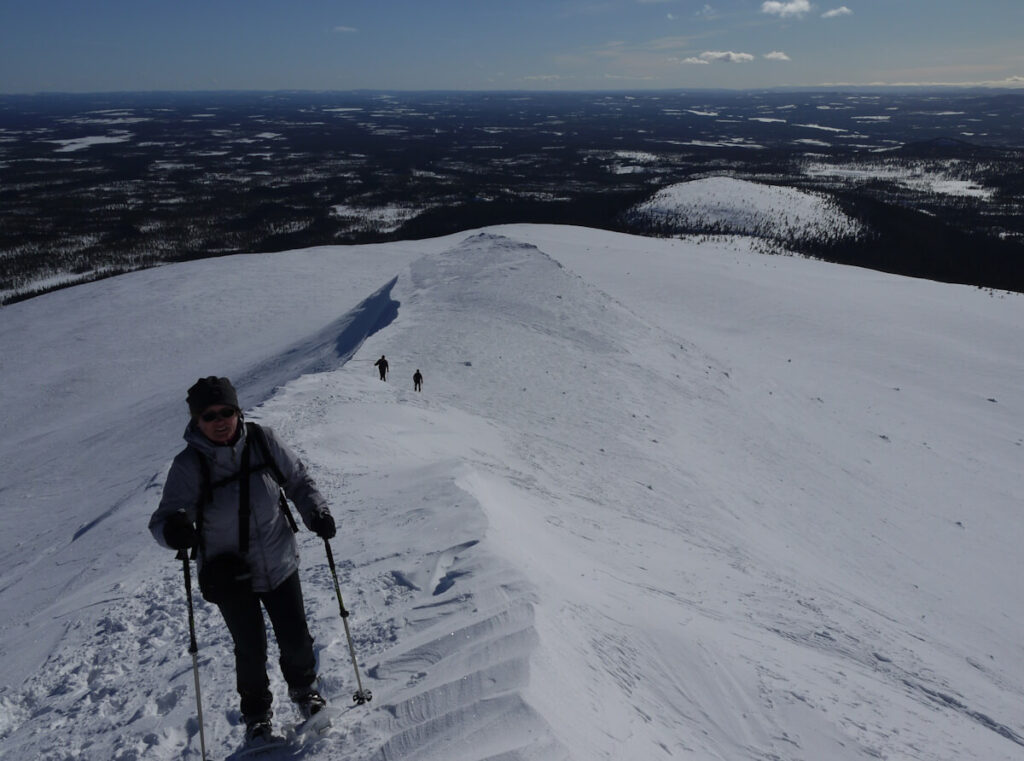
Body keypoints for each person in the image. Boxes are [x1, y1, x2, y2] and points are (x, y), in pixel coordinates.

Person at [149, 376, 337, 745]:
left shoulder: (263, 441)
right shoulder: (189, 465)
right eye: (209, 416)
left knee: (295, 637)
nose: (220, 421)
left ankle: (305, 694)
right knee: (250, 648)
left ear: (238, 411)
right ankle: (257, 718)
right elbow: (163, 518)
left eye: (226, 412)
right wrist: (174, 532)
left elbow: (298, 480)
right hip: (229, 573)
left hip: (279, 557)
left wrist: (316, 513)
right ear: (196, 421)